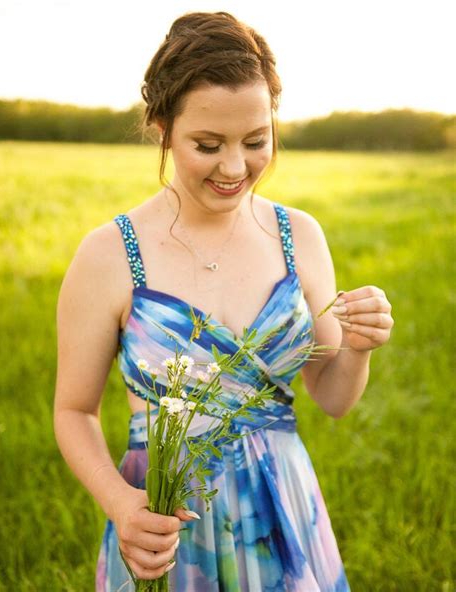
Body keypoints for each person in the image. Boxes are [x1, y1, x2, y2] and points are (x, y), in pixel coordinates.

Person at [53, 10, 394, 592]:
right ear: (161, 127)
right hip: (167, 519)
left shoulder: (299, 237)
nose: (235, 167)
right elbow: (74, 411)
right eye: (208, 144)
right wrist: (121, 506)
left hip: (286, 512)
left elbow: (331, 399)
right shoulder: (108, 254)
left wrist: (359, 348)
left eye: (256, 141)